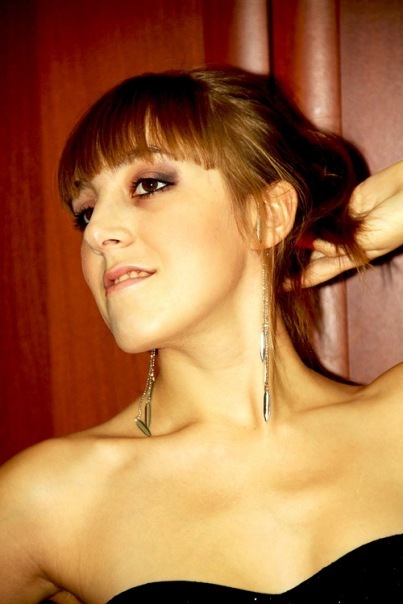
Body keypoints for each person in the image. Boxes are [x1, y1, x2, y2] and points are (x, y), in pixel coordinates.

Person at [0, 67, 402, 604]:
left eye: (149, 185)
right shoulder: (51, 499)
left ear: (267, 213)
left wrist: (362, 230)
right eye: (86, 212)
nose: (97, 233)